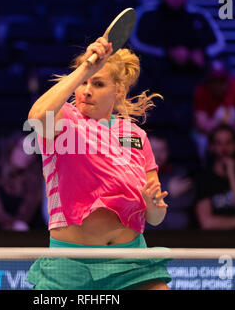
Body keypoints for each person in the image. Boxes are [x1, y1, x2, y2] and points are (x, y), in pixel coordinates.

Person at [25, 37, 172, 290]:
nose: (86, 90)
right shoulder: (65, 121)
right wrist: (86, 68)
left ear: (118, 91)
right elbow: (37, 118)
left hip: (130, 263)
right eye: (83, 83)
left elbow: (156, 217)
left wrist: (153, 204)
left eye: (98, 83)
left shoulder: (135, 135)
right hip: (70, 266)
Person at [130, 0, 225, 100]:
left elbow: (219, 42)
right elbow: (135, 41)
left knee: (216, 65)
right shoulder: (146, 13)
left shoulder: (198, 15)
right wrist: (167, 52)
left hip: (192, 70)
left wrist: (202, 53)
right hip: (157, 70)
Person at [195, 124, 235, 230]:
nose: (224, 148)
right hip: (213, 242)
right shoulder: (204, 179)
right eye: (219, 143)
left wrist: (231, 174)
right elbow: (207, 223)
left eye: (228, 142)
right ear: (211, 147)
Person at [0, 131, 44, 232]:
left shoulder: (35, 178)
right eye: (22, 148)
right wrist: (11, 225)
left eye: (31, 151)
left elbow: (28, 211)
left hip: (25, 235)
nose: (26, 155)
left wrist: (18, 226)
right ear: (11, 148)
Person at [192, 63, 235, 161]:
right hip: (213, 134)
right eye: (214, 81)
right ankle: (205, 170)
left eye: (222, 81)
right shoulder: (201, 90)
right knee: (201, 140)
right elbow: (201, 124)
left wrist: (233, 131)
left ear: (228, 80)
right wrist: (221, 131)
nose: (218, 85)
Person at [146, 134, 195, 230]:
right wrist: (168, 190)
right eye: (154, 151)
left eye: (162, 150)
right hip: (148, 229)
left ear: (168, 151)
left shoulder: (180, 173)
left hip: (175, 229)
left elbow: (187, 203)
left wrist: (151, 201)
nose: (158, 155)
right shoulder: (137, 174)